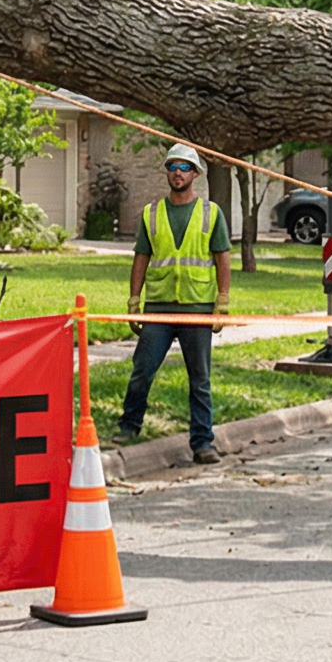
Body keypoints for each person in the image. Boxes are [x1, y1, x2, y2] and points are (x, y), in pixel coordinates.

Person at [116, 142, 232, 464]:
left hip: (197, 307)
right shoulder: (151, 214)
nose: (177, 173)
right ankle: (129, 426)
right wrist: (134, 301)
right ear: (166, 172)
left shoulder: (211, 213)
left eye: (184, 168)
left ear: (195, 174)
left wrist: (222, 301)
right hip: (159, 308)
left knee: (200, 378)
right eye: (172, 167)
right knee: (142, 369)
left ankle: (202, 443)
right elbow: (141, 258)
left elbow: (223, 259)